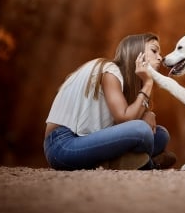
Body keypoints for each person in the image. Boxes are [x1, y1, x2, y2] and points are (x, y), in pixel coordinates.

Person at [43, 33, 176, 170]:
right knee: (142, 130)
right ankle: (145, 164)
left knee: (161, 135)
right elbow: (125, 119)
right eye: (154, 51)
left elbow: (126, 120)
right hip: (62, 145)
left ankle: (127, 162)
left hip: (84, 141)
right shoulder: (110, 70)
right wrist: (148, 83)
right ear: (137, 52)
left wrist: (145, 114)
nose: (160, 57)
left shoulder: (122, 80)